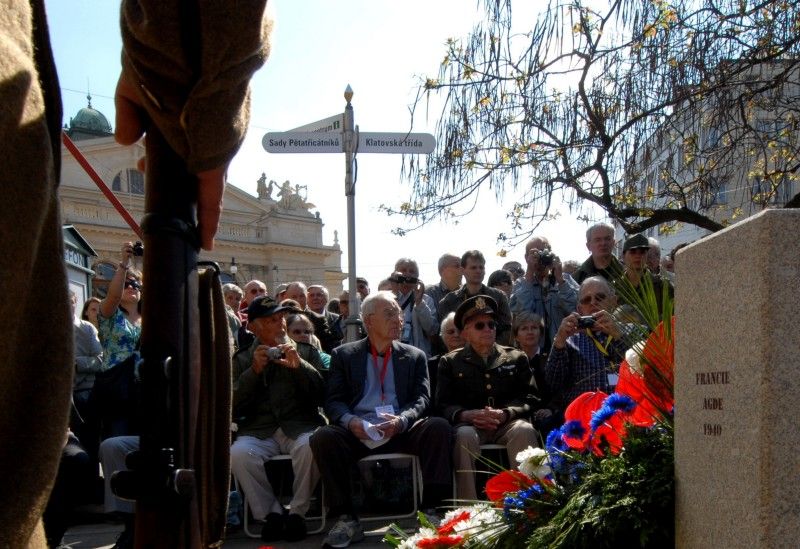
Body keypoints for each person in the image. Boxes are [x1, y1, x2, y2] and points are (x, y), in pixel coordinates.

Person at [310, 291, 453, 548]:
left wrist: (402, 421)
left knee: (438, 427)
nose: (398, 318)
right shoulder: (344, 355)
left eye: (398, 312)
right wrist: (350, 421)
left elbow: (421, 399)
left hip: (399, 428)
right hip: (359, 429)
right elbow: (333, 401)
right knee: (324, 437)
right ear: (368, 321)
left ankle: (431, 510)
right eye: (389, 313)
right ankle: (346, 518)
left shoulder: (414, 355)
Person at [231, 296, 327, 543]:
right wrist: (253, 372)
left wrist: (301, 366)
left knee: (311, 445)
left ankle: (297, 513)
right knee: (239, 454)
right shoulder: (242, 358)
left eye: (280, 318)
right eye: (270, 320)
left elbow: (323, 394)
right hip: (259, 429)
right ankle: (270, 514)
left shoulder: (305, 351)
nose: (280, 325)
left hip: (299, 426)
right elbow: (231, 404)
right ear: (252, 326)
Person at [436, 295, 540, 501]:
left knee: (525, 430)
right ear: (465, 332)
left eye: (492, 324)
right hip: (471, 425)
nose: (488, 329)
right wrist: (466, 415)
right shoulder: (450, 362)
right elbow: (442, 404)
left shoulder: (516, 357)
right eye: (480, 325)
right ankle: (469, 505)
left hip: (506, 422)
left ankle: (532, 502)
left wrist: (506, 413)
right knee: (463, 436)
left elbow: (531, 397)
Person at [545, 277, 630, 410]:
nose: (593, 303)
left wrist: (618, 336)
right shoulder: (570, 340)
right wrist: (559, 341)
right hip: (585, 417)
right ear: (579, 309)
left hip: (627, 412)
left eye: (600, 297)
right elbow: (553, 383)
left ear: (614, 302)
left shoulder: (632, 331)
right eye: (586, 300)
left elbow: (645, 370)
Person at [509, 236, 579, 351]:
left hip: (563, 349)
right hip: (532, 352)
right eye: (534, 254)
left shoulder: (564, 279)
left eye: (542, 252)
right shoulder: (520, 284)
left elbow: (576, 310)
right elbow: (523, 315)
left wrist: (560, 281)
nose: (539, 258)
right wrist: (529, 275)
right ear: (526, 258)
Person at [438, 250, 513, 345]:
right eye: (473, 268)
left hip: (492, 354)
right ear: (462, 270)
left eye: (481, 267)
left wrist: (488, 348)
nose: (478, 271)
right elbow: (446, 334)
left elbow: (507, 330)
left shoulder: (499, 297)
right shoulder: (449, 301)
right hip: (462, 355)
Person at [512, 312, 560, 434]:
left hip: (549, 414)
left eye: (534, 328)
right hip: (520, 415)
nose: (530, 332)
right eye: (524, 328)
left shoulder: (552, 358)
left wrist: (551, 409)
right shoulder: (509, 361)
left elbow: (561, 388)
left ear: (541, 333)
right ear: (516, 336)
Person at [615, 233, 674, 320]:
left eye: (642, 252)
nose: (638, 256)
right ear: (623, 256)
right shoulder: (615, 288)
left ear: (647, 255)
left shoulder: (663, 286)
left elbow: (673, 320)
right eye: (633, 252)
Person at [391, 258, 438, 357]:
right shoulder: (386, 298)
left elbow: (431, 329)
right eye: (403, 270)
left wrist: (419, 303)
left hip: (417, 356)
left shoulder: (426, 300)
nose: (408, 274)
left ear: (417, 276)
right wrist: (394, 294)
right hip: (392, 354)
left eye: (412, 271)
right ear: (395, 274)